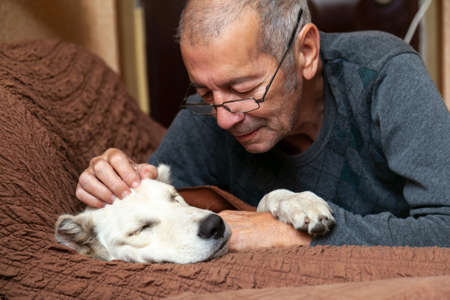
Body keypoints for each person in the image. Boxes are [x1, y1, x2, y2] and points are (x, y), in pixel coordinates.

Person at [76, 0, 450, 249]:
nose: (224, 117)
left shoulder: (384, 74)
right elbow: (162, 202)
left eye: (244, 89)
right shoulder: (212, 110)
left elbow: (445, 227)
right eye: (205, 92)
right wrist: (112, 180)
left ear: (305, 53)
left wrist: (291, 234)